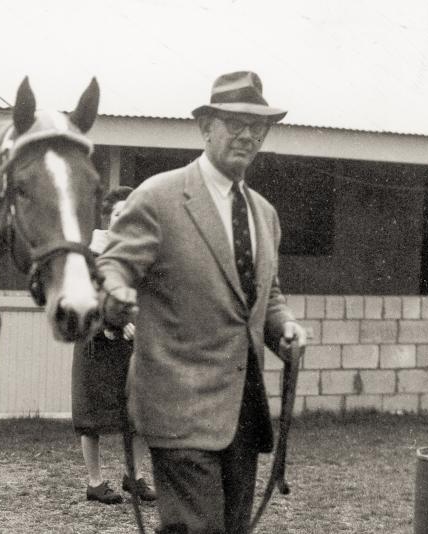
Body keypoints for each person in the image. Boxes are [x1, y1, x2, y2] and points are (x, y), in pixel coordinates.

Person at [97, 71, 306, 534]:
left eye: (258, 125)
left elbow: (265, 294)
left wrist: (284, 326)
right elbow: (113, 266)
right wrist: (116, 293)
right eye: (235, 122)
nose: (248, 134)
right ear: (206, 126)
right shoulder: (158, 197)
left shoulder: (264, 215)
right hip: (177, 406)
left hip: (241, 413)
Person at [71, 186, 156, 505]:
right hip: (96, 342)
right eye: (119, 213)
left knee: (137, 415)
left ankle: (133, 478)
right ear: (108, 219)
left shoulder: (138, 254)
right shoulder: (89, 254)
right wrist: (111, 325)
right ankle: (95, 483)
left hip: (130, 346)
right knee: (90, 416)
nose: (125, 219)